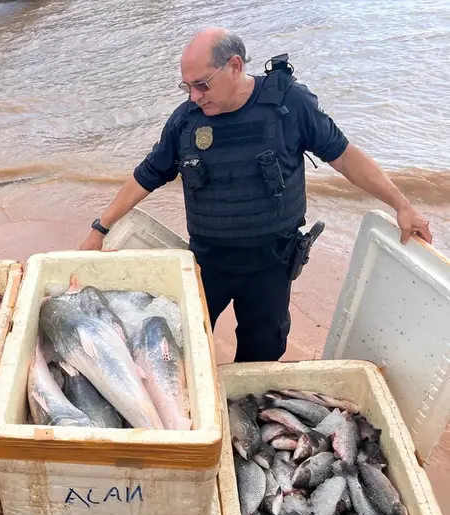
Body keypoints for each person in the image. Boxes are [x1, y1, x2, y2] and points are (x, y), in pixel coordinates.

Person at [80, 28, 433, 363]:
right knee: (179, 347)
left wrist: (402, 205)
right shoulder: (185, 121)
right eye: (187, 86)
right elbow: (146, 176)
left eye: (202, 85)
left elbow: (344, 156)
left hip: (271, 264)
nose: (194, 96)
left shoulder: (290, 105)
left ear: (234, 66)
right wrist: (100, 228)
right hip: (208, 262)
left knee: (260, 357)